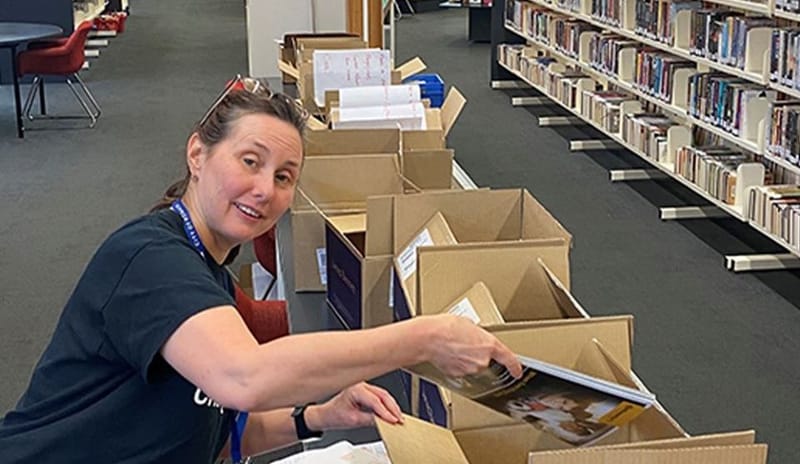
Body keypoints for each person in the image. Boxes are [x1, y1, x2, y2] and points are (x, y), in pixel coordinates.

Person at [0, 76, 523, 463]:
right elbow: (242, 380)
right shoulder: (149, 258)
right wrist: (426, 339)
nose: (264, 190)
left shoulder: (214, 278)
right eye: (250, 162)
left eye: (284, 176)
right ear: (198, 154)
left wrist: (318, 416)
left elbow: (213, 430)